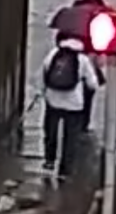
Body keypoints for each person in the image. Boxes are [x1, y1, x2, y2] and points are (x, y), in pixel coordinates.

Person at [41, 35, 101, 179]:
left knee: (51, 132)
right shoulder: (83, 60)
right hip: (74, 104)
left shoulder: (54, 54)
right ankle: (65, 170)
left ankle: (49, 161)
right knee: (70, 138)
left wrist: (44, 91)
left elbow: (44, 72)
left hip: (53, 100)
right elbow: (92, 84)